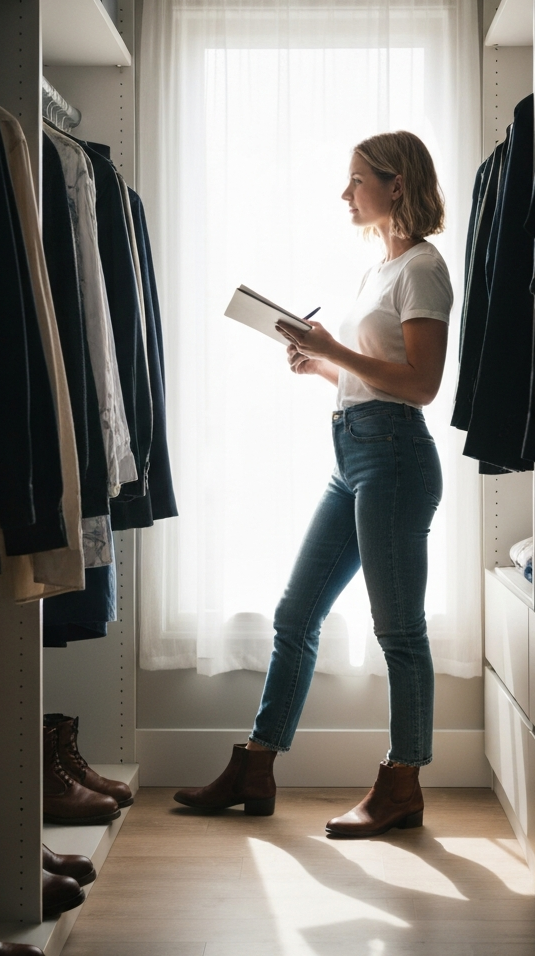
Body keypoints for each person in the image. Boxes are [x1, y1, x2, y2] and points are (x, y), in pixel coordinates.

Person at [174, 131, 452, 837]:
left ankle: (402, 786)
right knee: (295, 615)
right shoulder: (377, 273)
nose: (344, 193)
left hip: (394, 460)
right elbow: (374, 374)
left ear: (395, 185)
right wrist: (322, 366)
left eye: (356, 179)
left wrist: (333, 348)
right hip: (352, 453)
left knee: (399, 631)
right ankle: (256, 767)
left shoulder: (423, 268)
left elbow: (421, 386)